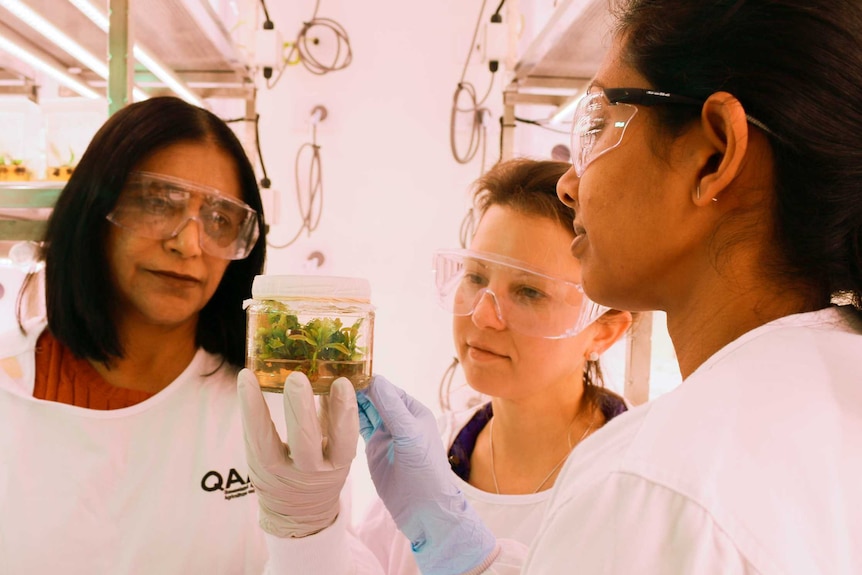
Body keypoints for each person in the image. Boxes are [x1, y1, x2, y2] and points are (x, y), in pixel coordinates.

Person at [353, 0, 862, 573]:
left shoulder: (651, 483)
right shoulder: (833, 400)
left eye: (596, 126)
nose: (570, 184)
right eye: (475, 276)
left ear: (713, 155)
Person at [0, 96, 372, 574]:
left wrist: (314, 534)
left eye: (220, 219)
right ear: (95, 207)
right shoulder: (10, 388)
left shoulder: (278, 409)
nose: (189, 243)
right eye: (158, 202)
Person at [352, 158, 632, 574]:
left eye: (529, 291)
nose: (483, 315)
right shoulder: (431, 457)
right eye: (476, 277)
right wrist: (312, 526)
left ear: (603, 333)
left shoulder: (634, 485)